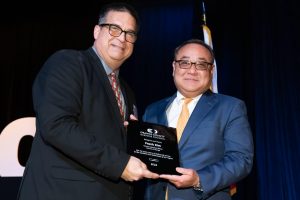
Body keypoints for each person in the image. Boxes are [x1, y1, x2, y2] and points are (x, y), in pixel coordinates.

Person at [17, 2, 159, 200]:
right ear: (96, 31)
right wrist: (119, 164)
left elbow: (108, 140)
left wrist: (135, 139)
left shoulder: (127, 91)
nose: (122, 38)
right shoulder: (68, 63)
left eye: (130, 33)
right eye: (114, 29)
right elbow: (57, 126)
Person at [141, 39, 254, 200]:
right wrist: (132, 135)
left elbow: (241, 160)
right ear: (174, 67)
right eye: (184, 63)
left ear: (211, 70)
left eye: (201, 65)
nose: (192, 70)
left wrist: (199, 180)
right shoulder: (153, 110)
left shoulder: (230, 107)